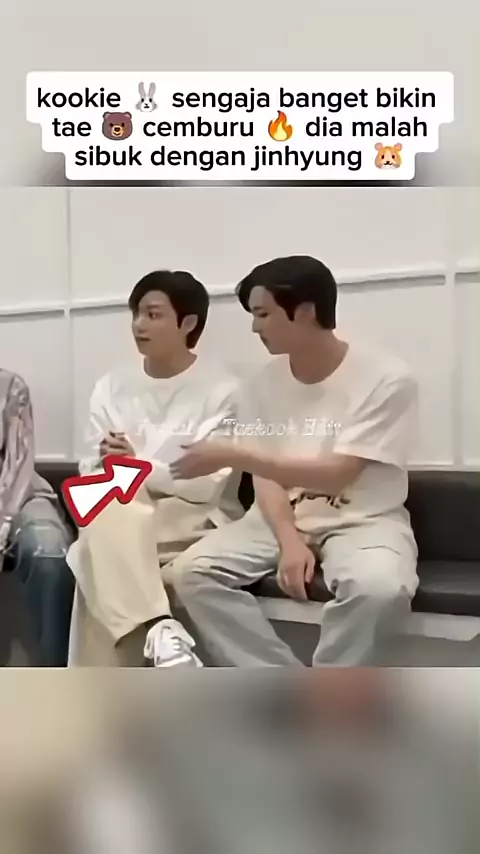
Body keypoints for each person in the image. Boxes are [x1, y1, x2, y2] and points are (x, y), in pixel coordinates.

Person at [165, 255, 420, 667]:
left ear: (305, 311)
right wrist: (288, 539)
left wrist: (235, 454)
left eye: (263, 314)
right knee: (190, 573)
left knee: (380, 589)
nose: (255, 327)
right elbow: (266, 478)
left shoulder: (385, 378)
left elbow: (339, 474)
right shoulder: (261, 384)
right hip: (277, 517)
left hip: (362, 520)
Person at [67, 269, 242, 668]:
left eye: (153, 314)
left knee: (95, 554)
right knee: (108, 522)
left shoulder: (224, 390)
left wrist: (137, 467)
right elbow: (91, 468)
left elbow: (206, 485)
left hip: (192, 515)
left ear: (188, 323)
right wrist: (122, 467)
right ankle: (162, 631)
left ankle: (107, 691)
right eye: (136, 314)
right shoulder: (111, 386)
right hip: (122, 506)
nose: (139, 325)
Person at [0, 369, 74, 666]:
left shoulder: (9, 386)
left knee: (48, 551)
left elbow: (16, 465)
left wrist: (2, 525)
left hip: (20, 494)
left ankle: (57, 677)